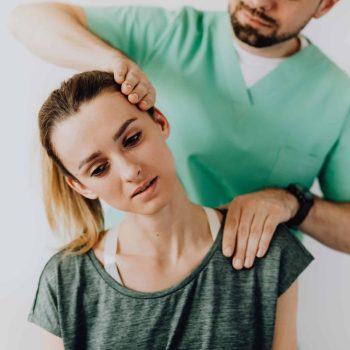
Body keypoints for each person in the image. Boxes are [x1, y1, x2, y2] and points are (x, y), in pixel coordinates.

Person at [8, 0, 350, 271]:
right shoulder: (168, 34)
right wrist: (112, 61)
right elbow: (26, 18)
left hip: (246, 289)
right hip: (134, 274)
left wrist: (294, 203)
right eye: (99, 168)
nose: (260, 1)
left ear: (326, 5)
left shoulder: (338, 97)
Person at [31, 70, 312, 349]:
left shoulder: (265, 250)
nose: (130, 171)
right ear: (82, 187)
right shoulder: (65, 281)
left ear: (160, 122)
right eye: (100, 169)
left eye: (132, 140)